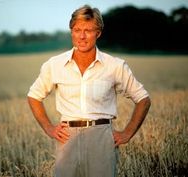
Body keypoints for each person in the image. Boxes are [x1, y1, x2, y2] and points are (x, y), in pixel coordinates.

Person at [27, 5, 151, 177]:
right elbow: (34, 96)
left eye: (88, 30)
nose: (82, 36)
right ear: (71, 31)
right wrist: (49, 128)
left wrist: (127, 133)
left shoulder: (115, 65)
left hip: (101, 138)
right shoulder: (54, 65)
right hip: (67, 138)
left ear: (98, 33)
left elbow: (143, 99)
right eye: (77, 30)